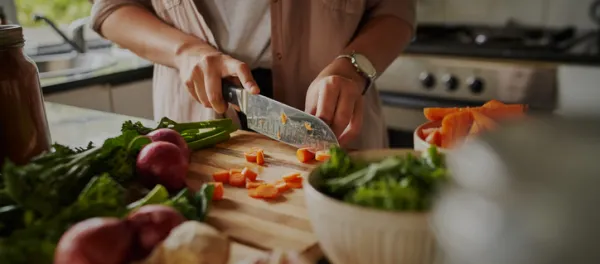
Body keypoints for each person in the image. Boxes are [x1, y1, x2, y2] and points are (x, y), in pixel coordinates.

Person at [91, 0, 415, 149]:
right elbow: (111, 9)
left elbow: (396, 11)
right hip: (200, 114)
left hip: (335, 117)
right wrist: (184, 51)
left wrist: (352, 67)